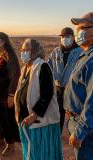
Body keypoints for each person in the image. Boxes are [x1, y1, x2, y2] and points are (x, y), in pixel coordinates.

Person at [14, 38, 63, 160]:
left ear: (35, 50)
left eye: (27, 49)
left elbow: (47, 94)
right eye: (22, 49)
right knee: (30, 151)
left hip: (40, 122)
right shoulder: (25, 68)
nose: (23, 52)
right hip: (26, 120)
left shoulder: (42, 66)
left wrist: (34, 115)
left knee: (42, 153)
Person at [64, 12, 93, 160]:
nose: (78, 33)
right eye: (77, 29)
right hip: (76, 120)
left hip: (86, 130)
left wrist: (80, 130)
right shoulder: (85, 54)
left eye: (82, 28)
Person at [48, 27, 82, 132]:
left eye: (67, 36)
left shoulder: (79, 51)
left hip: (73, 88)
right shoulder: (56, 51)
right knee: (58, 111)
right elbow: (49, 65)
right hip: (58, 87)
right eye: (62, 36)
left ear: (73, 37)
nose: (64, 38)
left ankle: (76, 133)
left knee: (74, 111)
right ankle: (58, 132)